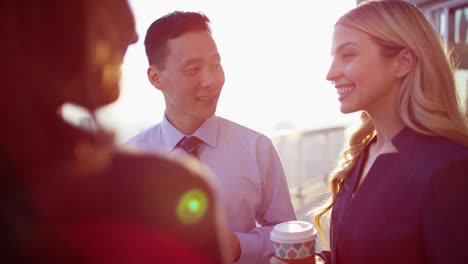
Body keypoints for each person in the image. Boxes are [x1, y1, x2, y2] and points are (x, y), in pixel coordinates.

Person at [1, 0, 229, 263]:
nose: (132, 32)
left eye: (215, 64)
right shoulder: (162, 187)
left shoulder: (255, 149)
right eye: (111, 3)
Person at [271, 0, 468, 264]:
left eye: (348, 55)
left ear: (403, 62)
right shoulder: (364, 153)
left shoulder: (448, 169)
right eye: (333, 57)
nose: (330, 73)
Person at [126, 11, 297, 263]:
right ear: (155, 78)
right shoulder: (130, 162)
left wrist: (238, 245)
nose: (211, 80)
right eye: (193, 69)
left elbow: (288, 236)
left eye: (216, 65)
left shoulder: (257, 148)